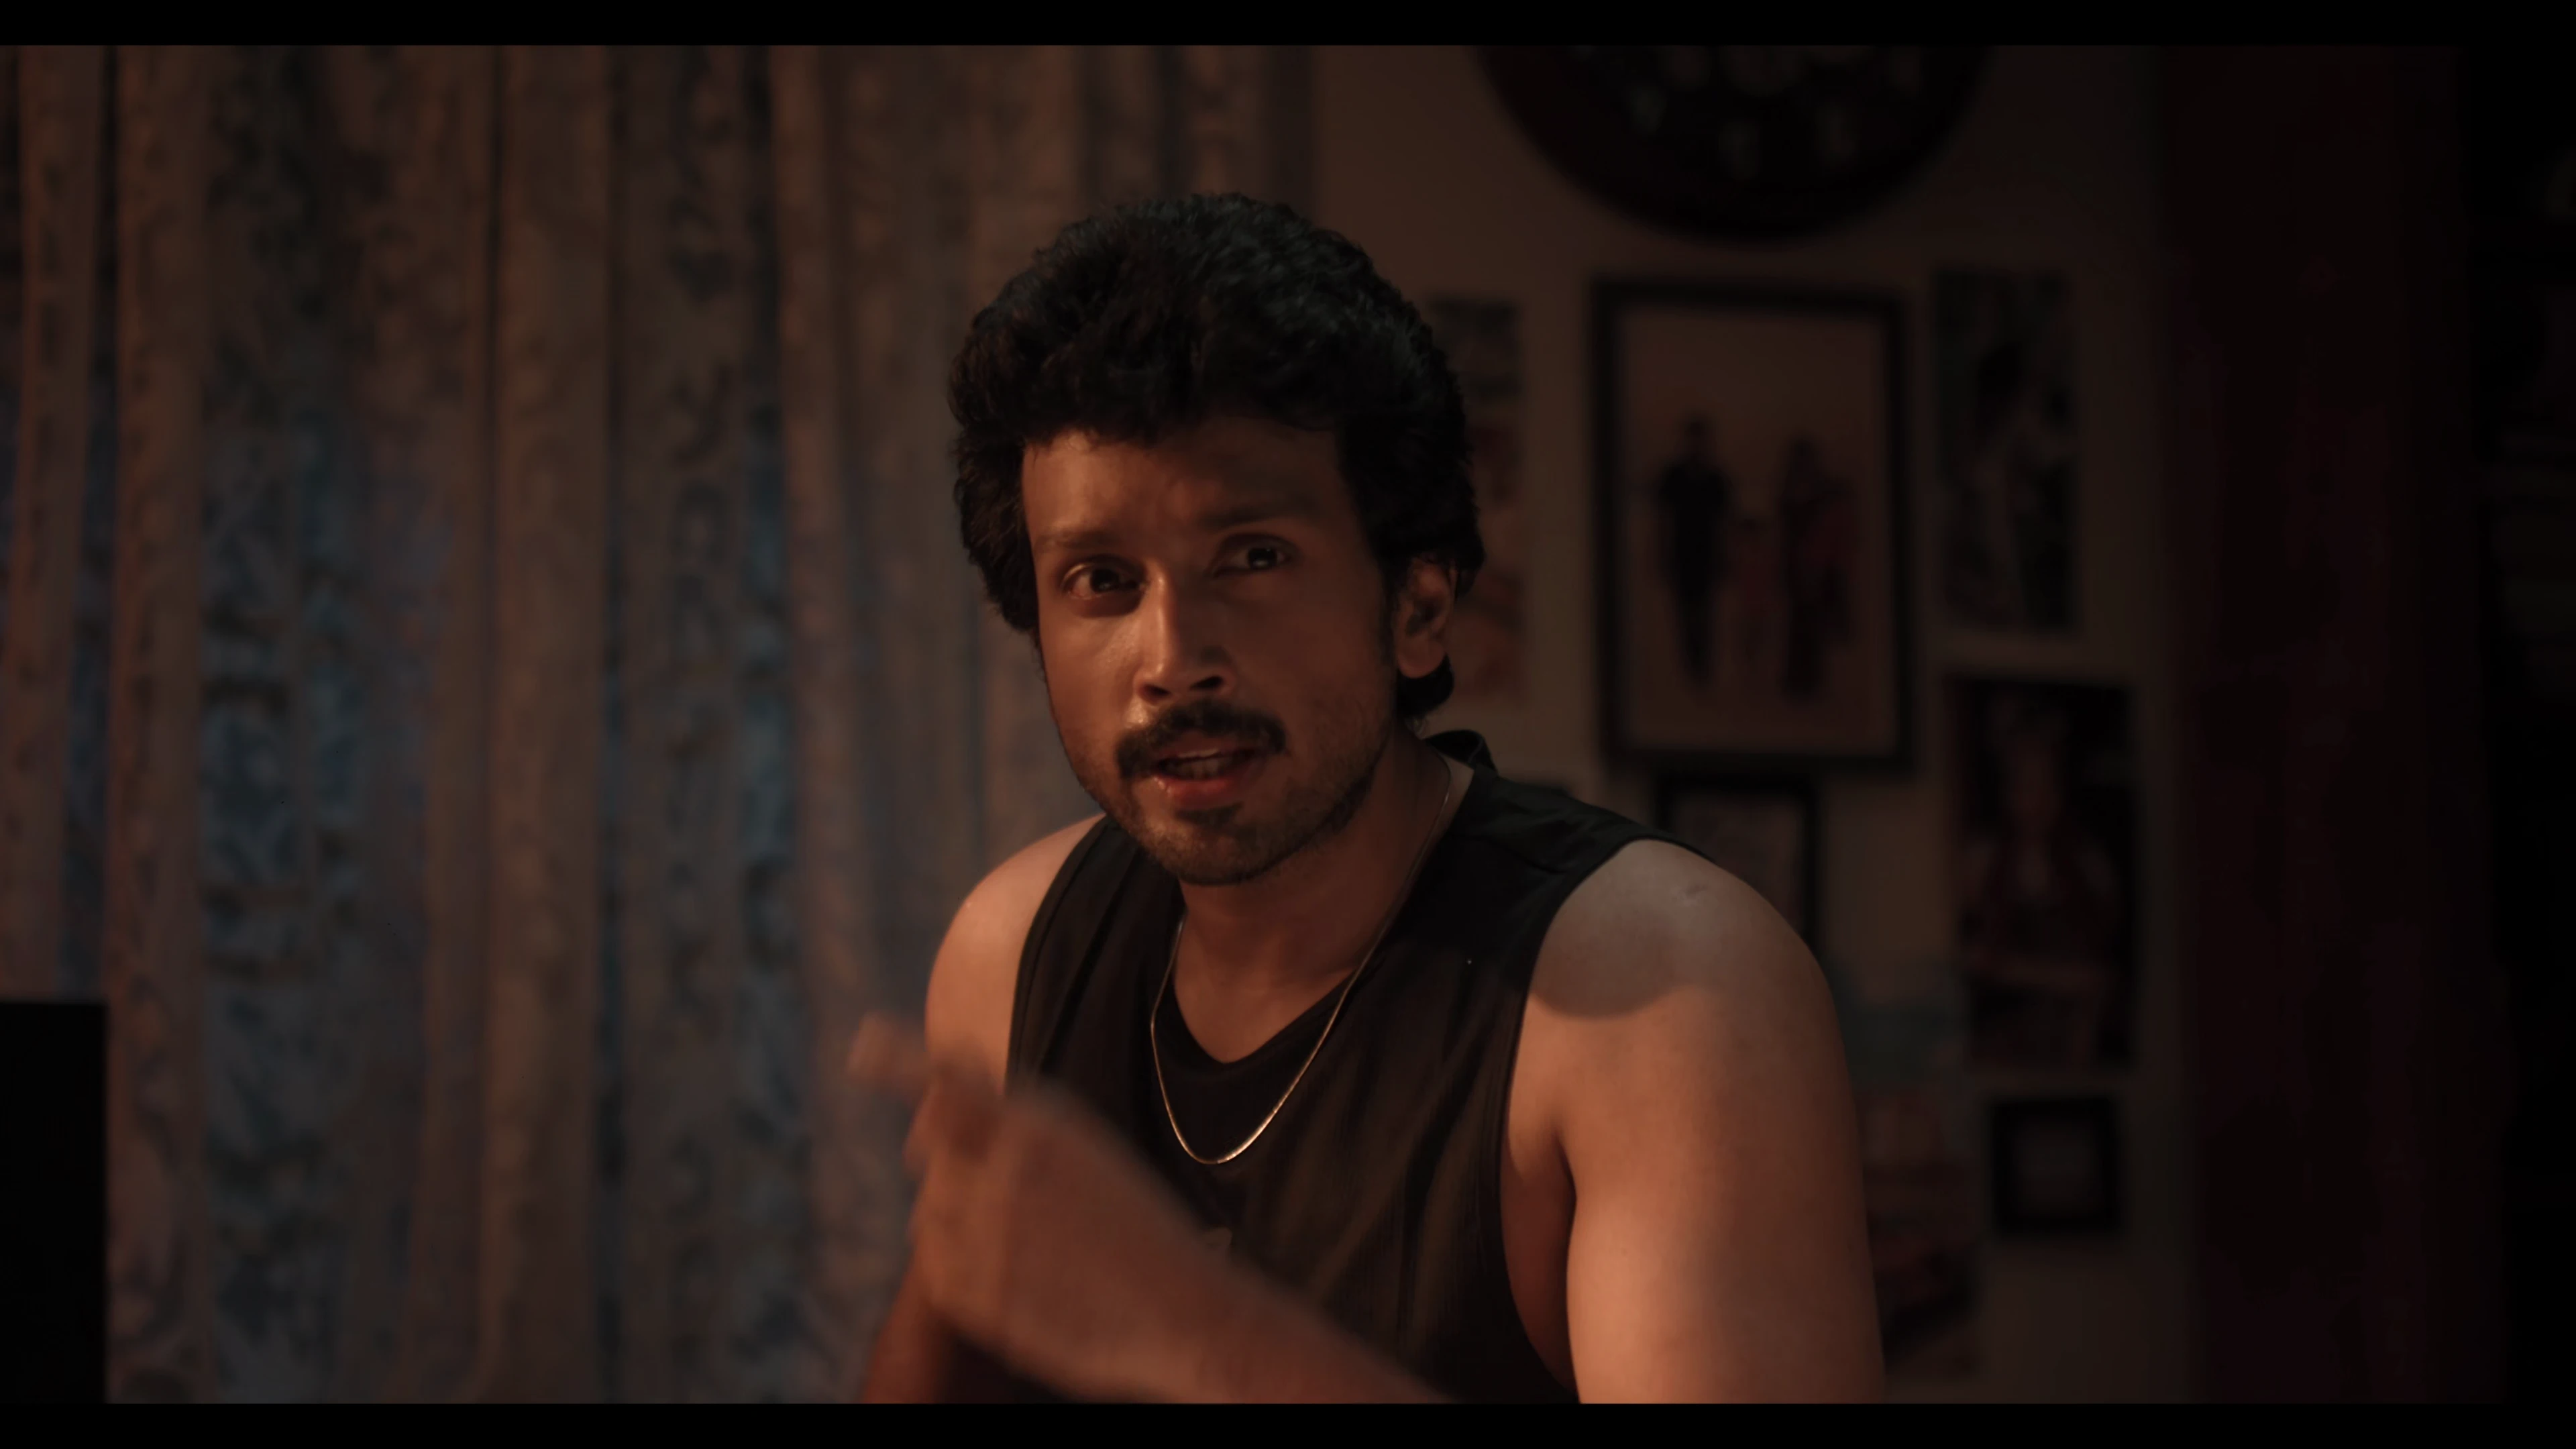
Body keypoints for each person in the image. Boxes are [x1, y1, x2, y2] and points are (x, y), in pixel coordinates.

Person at [851, 196, 1880, 1403]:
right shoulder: (1013, 952)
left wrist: (1192, 1329)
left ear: (1419, 608)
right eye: (1103, 580)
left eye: (1254, 557)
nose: (1172, 660)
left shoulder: (1665, 995)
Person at [1652, 417, 1734, 688]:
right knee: (1685, 614)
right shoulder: (1674, 476)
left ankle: (1702, 668)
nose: (1697, 445)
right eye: (1694, 439)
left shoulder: (1716, 479)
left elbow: (1724, 523)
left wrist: (1726, 556)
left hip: (1708, 554)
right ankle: (1691, 667)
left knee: (1706, 614)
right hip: (1681, 553)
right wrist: (1661, 553)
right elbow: (1663, 519)